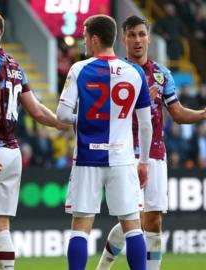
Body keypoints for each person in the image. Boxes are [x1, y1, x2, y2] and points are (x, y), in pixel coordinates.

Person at [96, 15, 206, 270]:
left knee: (153, 219)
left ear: (148, 38)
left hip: (156, 153)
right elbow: (105, 112)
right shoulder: (114, 72)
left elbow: (177, 113)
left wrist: (202, 113)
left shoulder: (161, 73)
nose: (137, 40)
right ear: (123, 39)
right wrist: (139, 96)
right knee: (131, 217)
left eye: (142, 34)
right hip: (124, 152)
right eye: (132, 35)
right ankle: (104, 267)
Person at [0, 11, 67, 270]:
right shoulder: (15, 65)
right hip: (12, 153)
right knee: (0, 225)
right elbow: (38, 110)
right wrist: (62, 123)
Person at [56, 15, 153, 270]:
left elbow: (63, 115)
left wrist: (85, 117)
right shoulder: (135, 73)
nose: (84, 42)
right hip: (122, 158)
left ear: (95, 38)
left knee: (81, 226)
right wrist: (143, 161)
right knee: (132, 226)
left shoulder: (80, 69)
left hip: (88, 157)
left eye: (85, 37)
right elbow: (145, 124)